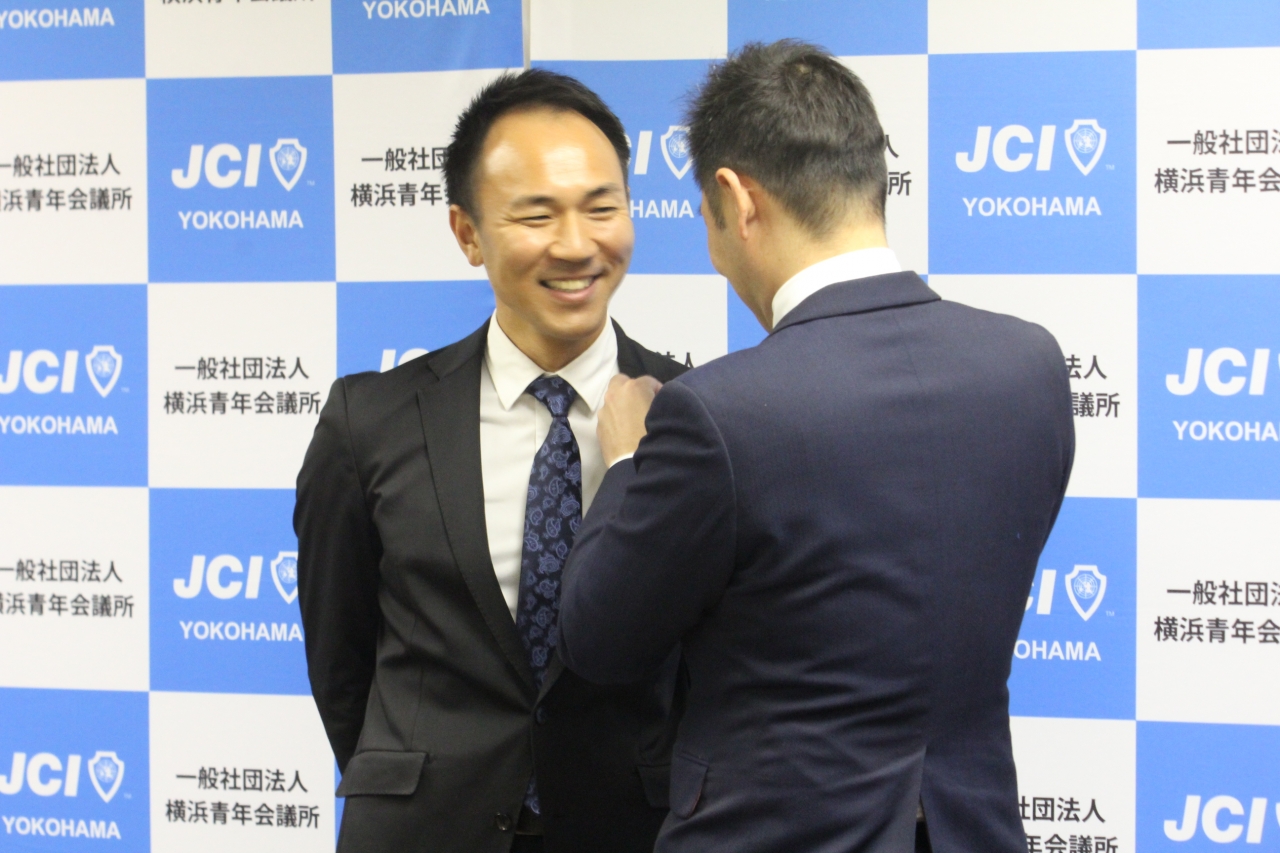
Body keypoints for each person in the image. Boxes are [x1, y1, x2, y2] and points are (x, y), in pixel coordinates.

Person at [557, 40, 1075, 853]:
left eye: (705, 218)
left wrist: (624, 461)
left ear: (737, 199)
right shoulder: (1031, 364)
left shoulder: (720, 412)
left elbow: (601, 637)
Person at [294, 69, 686, 853]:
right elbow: (341, 659)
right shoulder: (368, 420)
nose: (576, 244)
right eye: (536, 214)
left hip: (633, 829)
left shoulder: (695, 415)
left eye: (601, 207)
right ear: (467, 232)